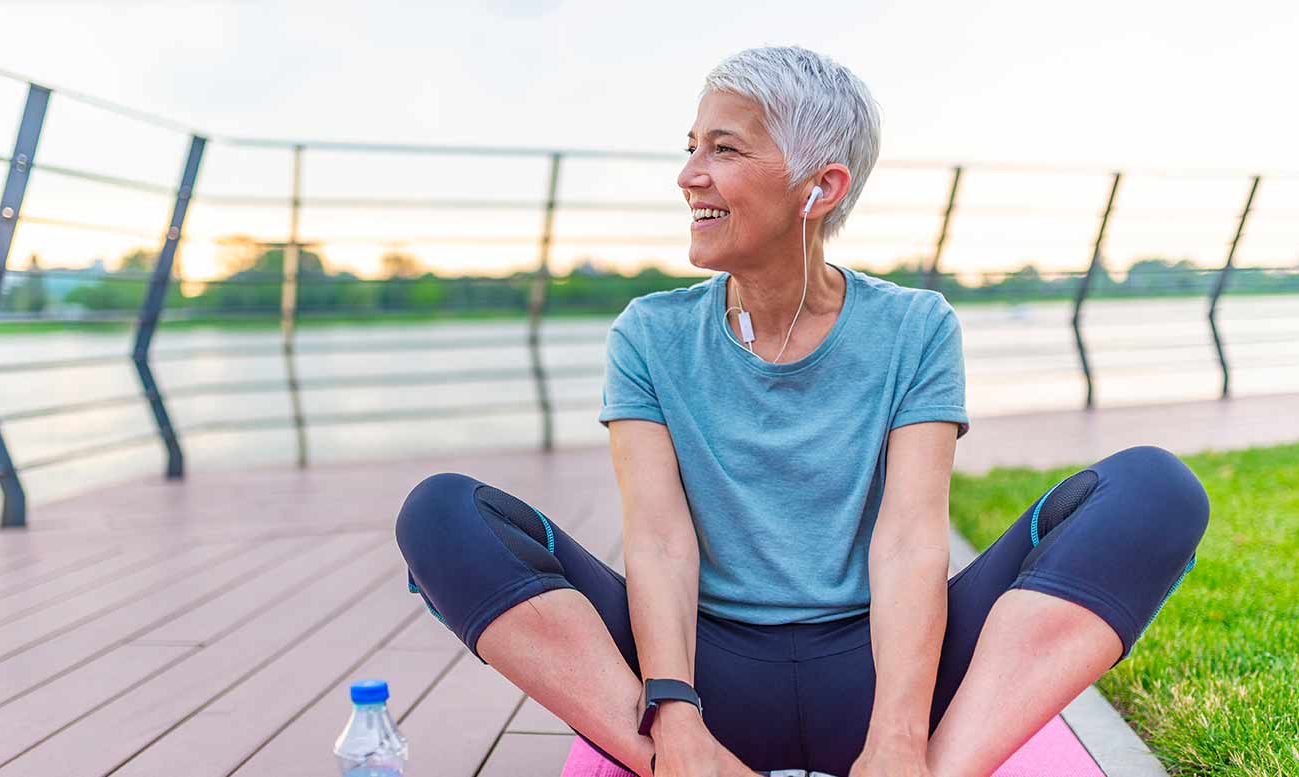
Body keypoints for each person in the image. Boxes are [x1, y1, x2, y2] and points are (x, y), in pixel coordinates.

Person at [395, 46, 1208, 777]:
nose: (689, 175)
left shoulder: (915, 327)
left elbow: (909, 540)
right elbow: (658, 537)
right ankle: (693, 768)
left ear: (820, 186)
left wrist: (897, 733)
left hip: (882, 666)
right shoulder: (649, 334)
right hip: (706, 677)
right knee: (440, 515)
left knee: (1155, 489)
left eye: (724, 148)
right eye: (691, 149)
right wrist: (674, 713)